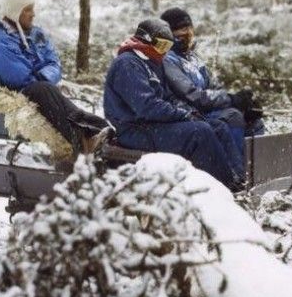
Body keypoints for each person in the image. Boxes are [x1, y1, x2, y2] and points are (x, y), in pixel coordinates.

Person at [103, 17, 245, 190]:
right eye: (162, 45)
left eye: (167, 47)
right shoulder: (127, 64)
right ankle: (224, 187)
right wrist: (182, 115)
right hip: (135, 129)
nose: (164, 51)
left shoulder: (152, 62)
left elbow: (168, 97)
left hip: (155, 124)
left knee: (217, 126)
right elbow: (147, 106)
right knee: (200, 133)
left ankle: (238, 179)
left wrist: (189, 111)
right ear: (147, 39)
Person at [0, 0, 108, 154]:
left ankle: (97, 129)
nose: (33, 14)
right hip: (14, 92)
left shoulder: (36, 34)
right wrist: (42, 76)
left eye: (32, 9)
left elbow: (54, 64)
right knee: (42, 89)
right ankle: (80, 141)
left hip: (40, 87)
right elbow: (20, 78)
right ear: (14, 12)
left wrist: (42, 75)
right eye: (27, 10)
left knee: (46, 90)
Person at [160, 7, 265, 156]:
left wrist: (239, 102)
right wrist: (231, 100)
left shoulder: (192, 58)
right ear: (169, 33)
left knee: (253, 120)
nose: (188, 33)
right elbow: (192, 95)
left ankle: (257, 167)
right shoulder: (167, 60)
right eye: (182, 29)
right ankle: (236, 171)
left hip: (206, 109)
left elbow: (213, 86)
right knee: (233, 118)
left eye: (190, 27)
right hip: (188, 112)